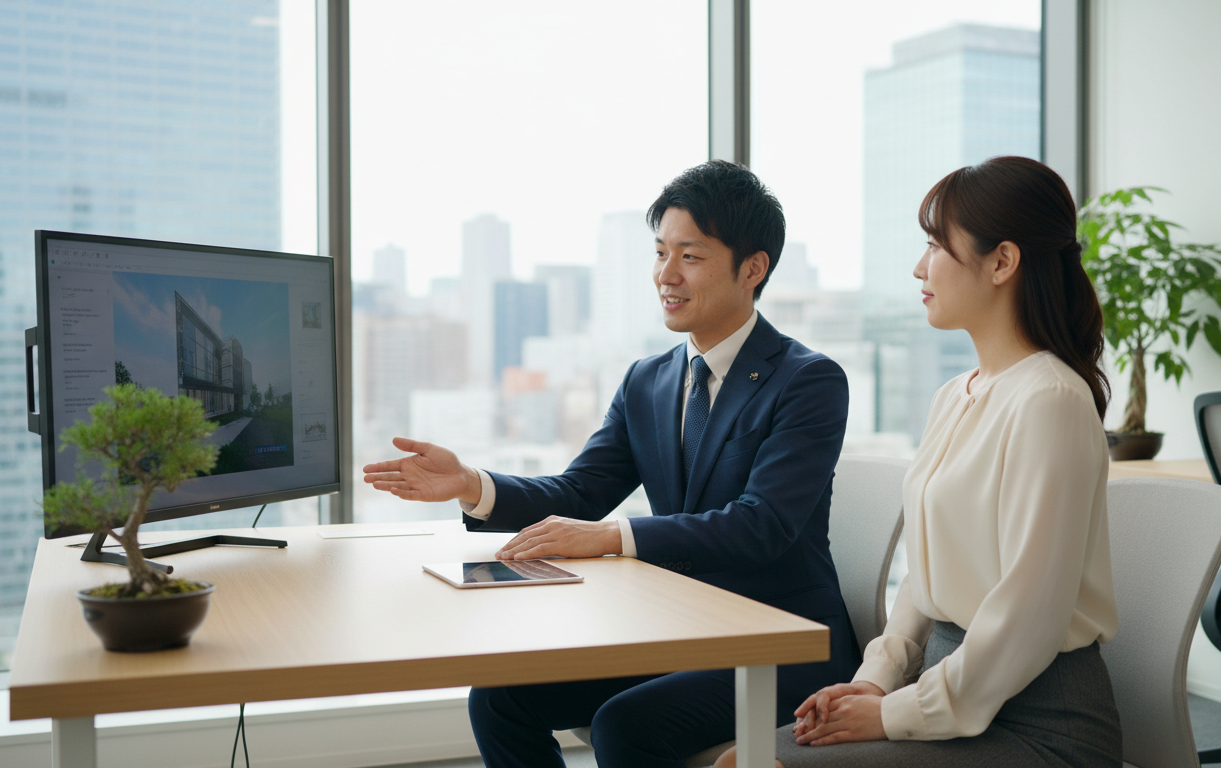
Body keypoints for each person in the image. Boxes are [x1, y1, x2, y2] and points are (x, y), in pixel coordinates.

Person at [361, 160, 860, 768]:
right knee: (500, 698)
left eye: (690, 257)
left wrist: (609, 539)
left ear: (752, 268)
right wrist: (473, 486)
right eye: (659, 253)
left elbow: (761, 523)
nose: (665, 276)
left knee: (625, 725)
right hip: (682, 630)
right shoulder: (649, 380)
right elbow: (581, 492)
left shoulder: (807, 381)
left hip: (783, 641)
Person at [717, 155, 1122, 768]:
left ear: (1002, 262)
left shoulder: (1051, 401)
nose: (919, 266)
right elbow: (926, 580)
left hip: (1042, 726)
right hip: (945, 694)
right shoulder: (954, 395)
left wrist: (891, 713)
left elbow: (1029, 617)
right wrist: (876, 678)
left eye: (936, 245)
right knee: (740, 759)